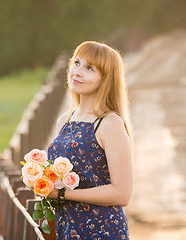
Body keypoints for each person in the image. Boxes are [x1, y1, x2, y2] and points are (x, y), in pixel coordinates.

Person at [47, 41, 133, 239]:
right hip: (67, 227)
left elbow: (122, 193)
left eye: (89, 68)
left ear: (106, 79)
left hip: (100, 229)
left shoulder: (109, 123)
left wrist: (61, 194)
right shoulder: (65, 121)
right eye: (76, 63)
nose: (77, 72)